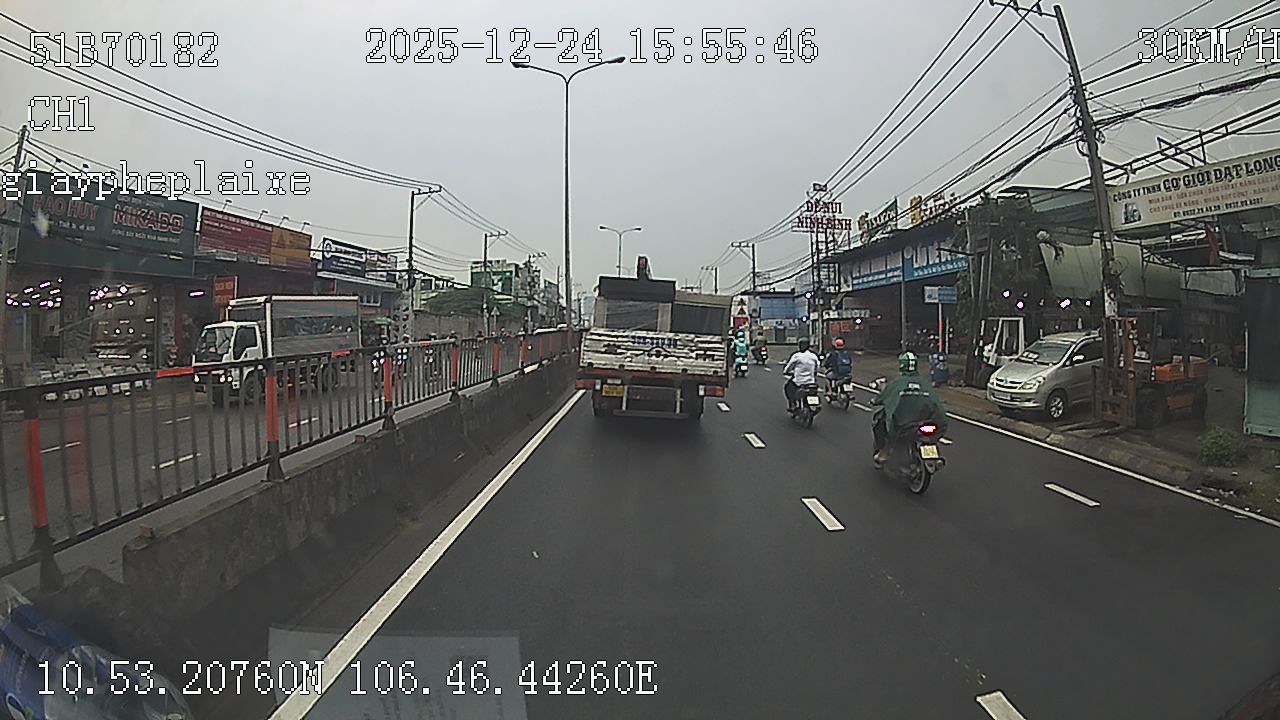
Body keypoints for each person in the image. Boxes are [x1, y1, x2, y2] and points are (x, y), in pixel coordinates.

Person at [871, 351, 948, 463]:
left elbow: (883, 396)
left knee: (879, 421)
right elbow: (935, 401)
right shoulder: (925, 383)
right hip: (927, 422)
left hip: (905, 425)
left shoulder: (897, 383)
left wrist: (875, 401)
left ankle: (884, 452)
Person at [782, 338, 821, 411]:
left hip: (799, 382)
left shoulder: (797, 356)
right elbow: (817, 367)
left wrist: (786, 371)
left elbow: (789, 367)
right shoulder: (813, 356)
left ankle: (793, 404)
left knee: (788, 387)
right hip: (811, 381)